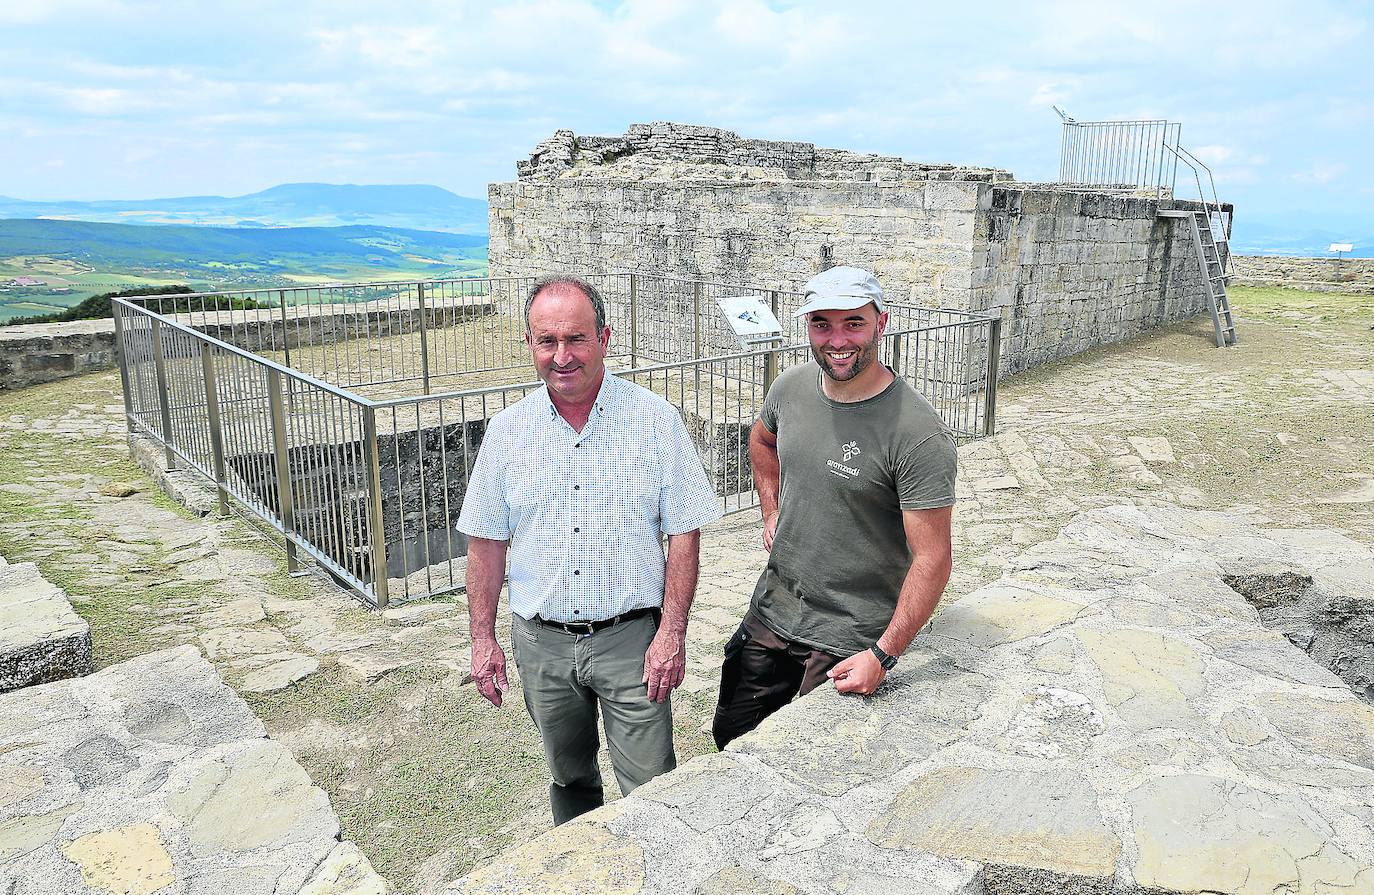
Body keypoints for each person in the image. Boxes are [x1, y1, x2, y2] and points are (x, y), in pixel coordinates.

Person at [457, 275, 720, 824]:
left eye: (575, 339)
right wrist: (482, 640)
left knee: (653, 790)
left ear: (605, 336)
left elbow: (685, 534)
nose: (561, 356)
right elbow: (485, 542)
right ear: (530, 345)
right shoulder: (508, 431)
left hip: (631, 641)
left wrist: (671, 634)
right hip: (543, 645)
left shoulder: (653, 419)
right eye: (546, 341)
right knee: (568, 779)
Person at [712, 266, 957, 750]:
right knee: (731, 740)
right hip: (773, 610)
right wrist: (770, 510)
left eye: (853, 323)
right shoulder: (791, 388)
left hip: (849, 635)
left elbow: (933, 559)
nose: (837, 339)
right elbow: (762, 440)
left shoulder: (916, 433)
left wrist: (882, 656)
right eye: (822, 323)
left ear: (881, 323)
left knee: (806, 764)